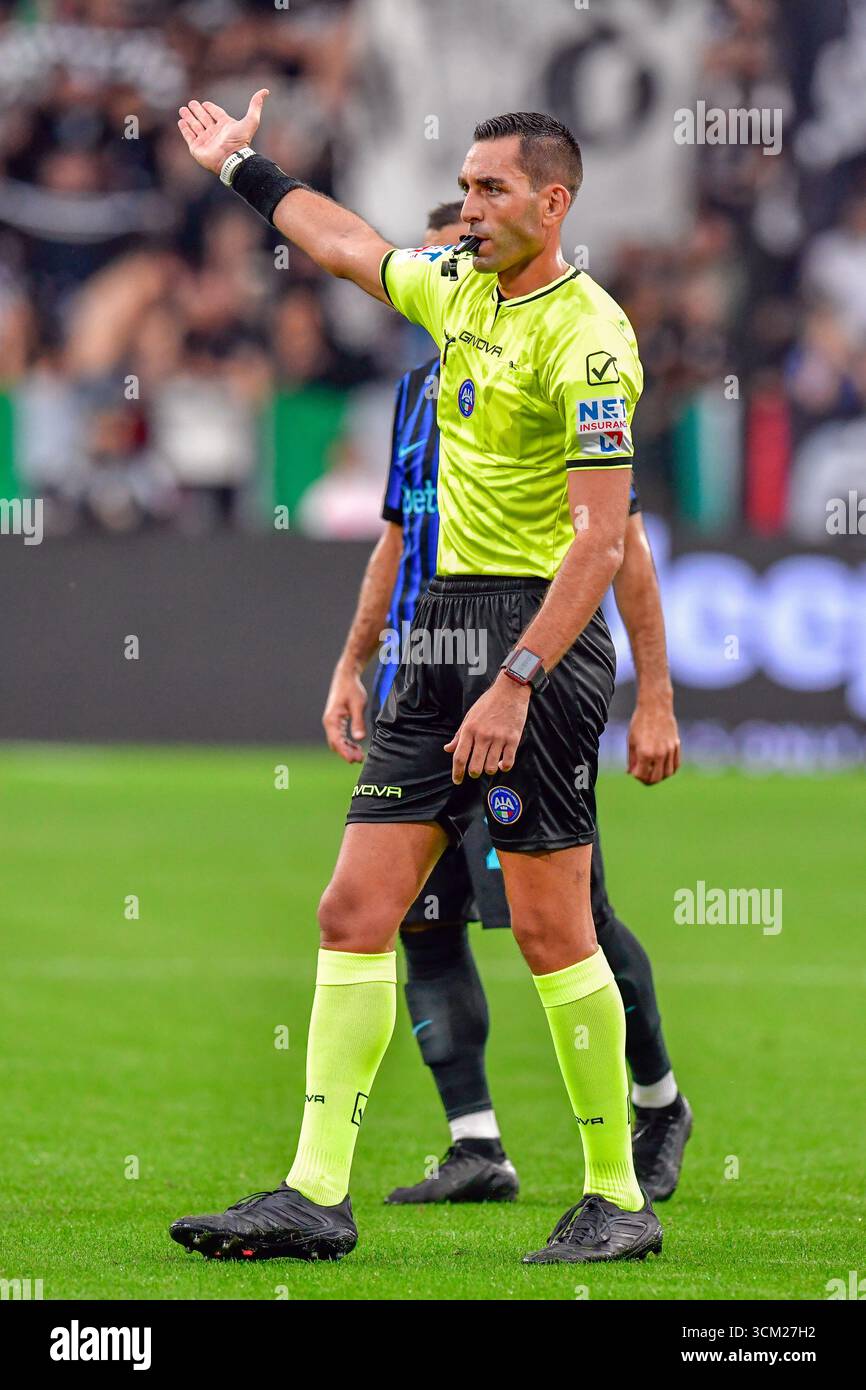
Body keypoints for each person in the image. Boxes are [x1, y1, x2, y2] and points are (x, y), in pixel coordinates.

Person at [171, 91, 669, 1265]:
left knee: (551, 928)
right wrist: (242, 165)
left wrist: (519, 679)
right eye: (465, 185)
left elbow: (601, 541)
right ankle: (313, 1193)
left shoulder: (589, 336)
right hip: (437, 628)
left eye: (491, 189)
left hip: (529, 635)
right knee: (353, 909)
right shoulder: (452, 286)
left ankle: (615, 1197)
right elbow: (340, 239)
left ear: (553, 203)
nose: (469, 207)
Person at [323, 203, 689, 1208]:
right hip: (430, 669)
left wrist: (652, 694)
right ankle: (475, 1141)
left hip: (522, 663)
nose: (460, 273)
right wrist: (355, 662)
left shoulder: (562, 364)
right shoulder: (417, 399)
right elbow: (395, 542)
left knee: (564, 918)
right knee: (417, 917)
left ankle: (654, 1100)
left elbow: (623, 547)